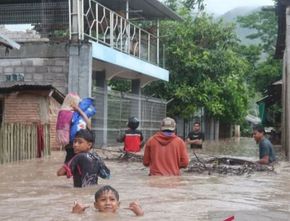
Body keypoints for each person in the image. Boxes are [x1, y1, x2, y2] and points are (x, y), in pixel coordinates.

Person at [72, 185, 144, 216]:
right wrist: (75, 212)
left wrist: (139, 213)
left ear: (118, 204)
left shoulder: (122, 214)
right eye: (103, 200)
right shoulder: (92, 214)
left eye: (112, 199)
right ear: (95, 205)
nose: (108, 203)